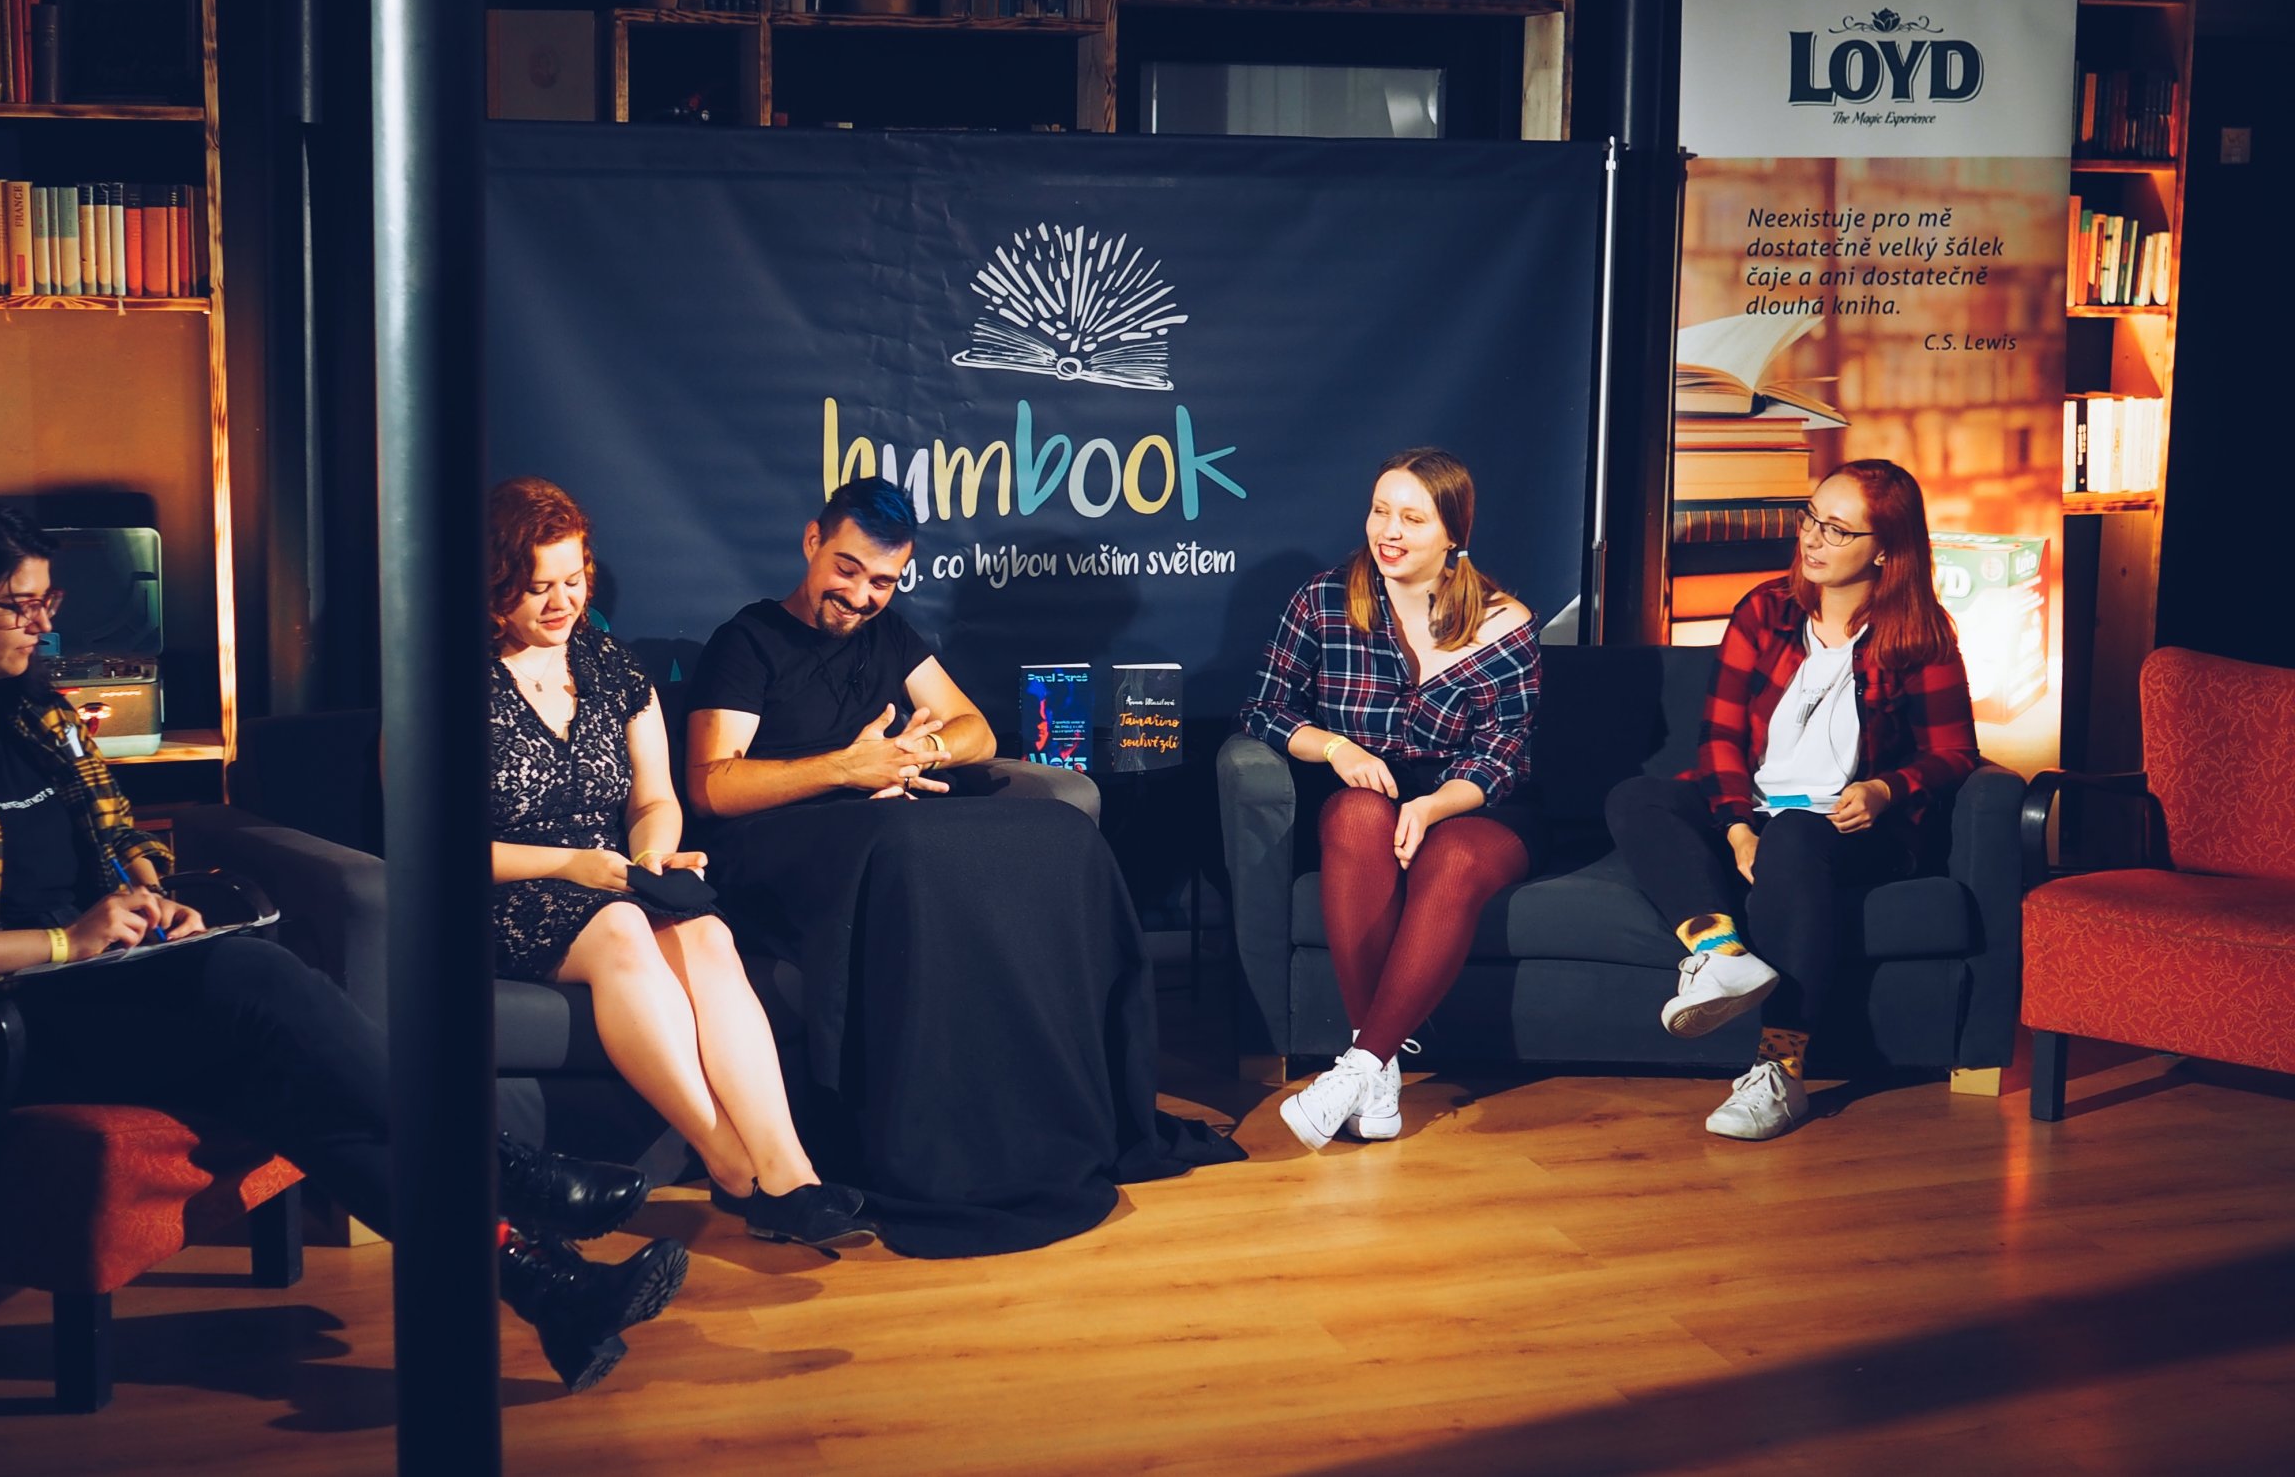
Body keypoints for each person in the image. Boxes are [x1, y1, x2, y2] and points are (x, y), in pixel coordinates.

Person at [0, 495, 680, 1394]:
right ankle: (507, 1168)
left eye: (48, 602)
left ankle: (551, 1289)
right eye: (20, 606)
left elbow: (117, 831)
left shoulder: (35, 715)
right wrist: (64, 942)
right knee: (251, 977)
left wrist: (146, 890)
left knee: (292, 1084)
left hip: (84, 993)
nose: (43, 626)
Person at [681, 477, 1243, 1258]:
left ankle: (1050, 1109)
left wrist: (921, 752)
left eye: (883, 581)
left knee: (1062, 835)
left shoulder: (888, 635)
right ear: (812, 542)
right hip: (778, 843)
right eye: (847, 569)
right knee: (910, 849)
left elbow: (975, 727)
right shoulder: (749, 641)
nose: (861, 596)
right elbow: (712, 786)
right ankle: (927, 1142)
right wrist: (844, 767)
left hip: (878, 821)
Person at [483, 477, 872, 1250]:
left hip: (611, 876)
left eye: (574, 580)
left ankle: (789, 1176)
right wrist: (573, 866)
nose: (563, 603)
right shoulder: (443, 683)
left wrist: (652, 853)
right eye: (539, 588)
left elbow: (654, 799)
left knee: (707, 933)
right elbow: (428, 844)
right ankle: (728, 1161)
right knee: (625, 930)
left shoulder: (610, 666)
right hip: (511, 886)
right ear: (496, 586)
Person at [1604, 460, 1981, 1141]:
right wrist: (1736, 828)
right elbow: (1718, 738)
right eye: (1811, 517)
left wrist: (1887, 789)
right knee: (1638, 798)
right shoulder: (1765, 610)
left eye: (1838, 530)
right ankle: (1722, 957)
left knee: (1797, 834)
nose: (1812, 537)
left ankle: (1780, 1072)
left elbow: (1956, 753)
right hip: (1753, 811)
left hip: (1846, 826)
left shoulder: (1921, 635)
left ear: (1886, 549)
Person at [1240, 448, 1539, 1150]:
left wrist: (1432, 808)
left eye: (1413, 518)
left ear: (1453, 533)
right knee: (1354, 815)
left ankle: (1360, 1066)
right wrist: (1336, 749)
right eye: (1380, 512)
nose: (1390, 532)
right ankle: (1377, 1075)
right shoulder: (1322, 600)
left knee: (1453, 860)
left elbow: (1502, 756)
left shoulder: (1505, 623)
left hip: (1475, 807)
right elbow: (1263, 708)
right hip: (1367, 793)